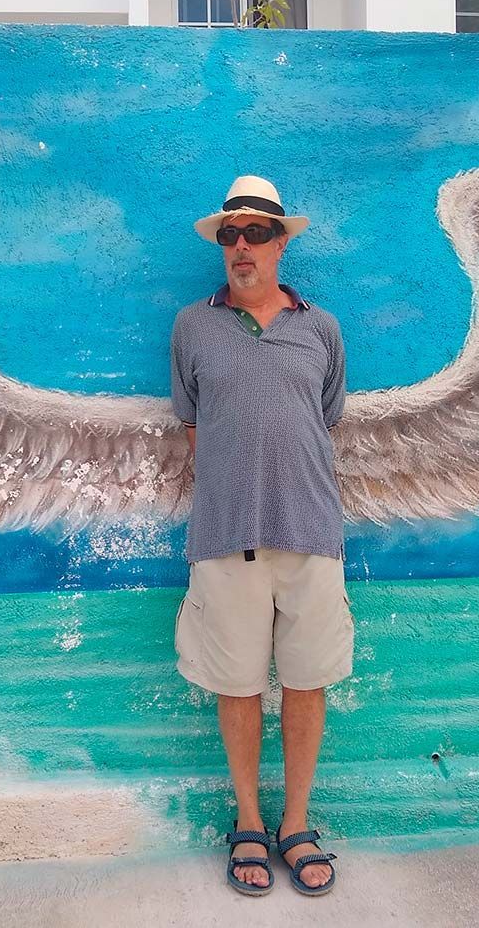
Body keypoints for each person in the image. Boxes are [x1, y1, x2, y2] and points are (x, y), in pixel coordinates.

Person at [169, 175, 350, 897]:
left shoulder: (321, 329)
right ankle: (248, 820)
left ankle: (296, 823)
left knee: (307, 682)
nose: (240, 246)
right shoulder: (191, 326)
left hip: (311, 531)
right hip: (224, 535)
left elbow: (325, 418)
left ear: (281, 243)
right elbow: (193, 421)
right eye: (228, 235)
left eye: (254, 233)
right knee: (237, 684)